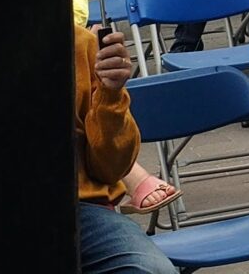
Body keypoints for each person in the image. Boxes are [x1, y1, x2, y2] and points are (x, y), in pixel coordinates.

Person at [69, 19, 187, 274]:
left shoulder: (80, 44)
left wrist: (111, 95)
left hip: (79, 208)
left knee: (153, 270)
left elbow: (110, 169)